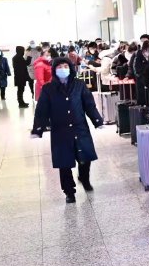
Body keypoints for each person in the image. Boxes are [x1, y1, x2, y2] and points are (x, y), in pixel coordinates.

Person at [31, 58, 103, 203]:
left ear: (70, 68)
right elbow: (42, 110)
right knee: (64, 162)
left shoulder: (79, 85)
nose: (63, 69)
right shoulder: (48, 89)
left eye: (65, 66)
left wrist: (97, 121)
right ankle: (69, 191)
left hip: (80, 128)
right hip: (60, 131)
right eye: (59, 67)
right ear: (54, 70)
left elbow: (89, 105)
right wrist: (38, 129)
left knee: (85, 157)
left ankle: (84, 178)